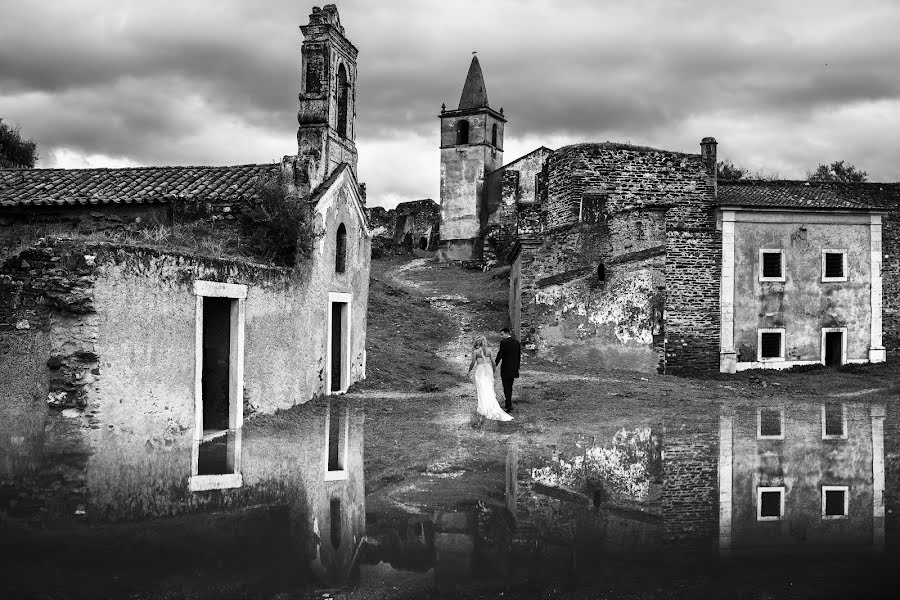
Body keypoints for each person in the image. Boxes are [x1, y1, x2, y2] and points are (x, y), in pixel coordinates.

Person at [468, 336, 512, 422]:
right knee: (489, 388)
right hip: (488, 370)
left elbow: (473, 363)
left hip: (481, 370)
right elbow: (493, 362)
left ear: (477, 343)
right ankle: (490, 405)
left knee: (481, 388)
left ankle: (483, 407)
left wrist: (469, 371)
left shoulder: (476, 352)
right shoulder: (489, 351)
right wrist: (494, 371)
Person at [494, 327, 521, 412]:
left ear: (507, 333)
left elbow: (500, 355)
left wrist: (494, 365)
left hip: (506, 368)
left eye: (502, 334)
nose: (501, 336)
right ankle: (508, 403)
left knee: (506, 387)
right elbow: (518, 357)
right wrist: (517, 368)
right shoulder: (517, 343)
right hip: (513, 368)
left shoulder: (504, 343)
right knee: (510, 386)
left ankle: (508, 405)